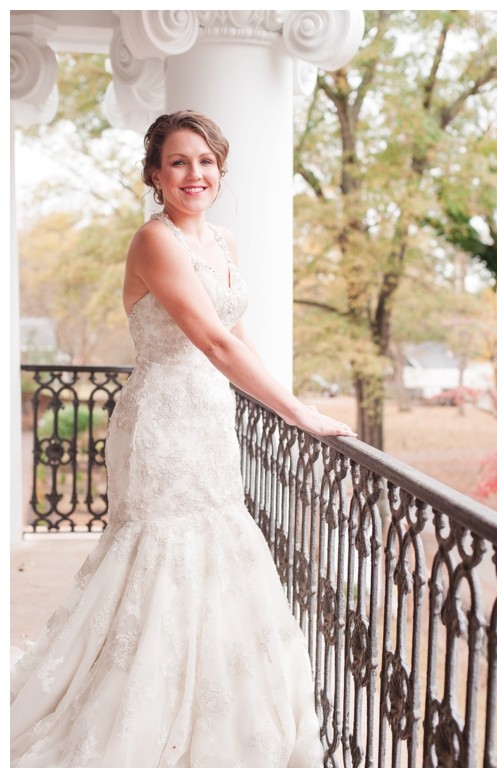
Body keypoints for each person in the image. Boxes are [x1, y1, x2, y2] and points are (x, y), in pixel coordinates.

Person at [10, 110, 355, 767]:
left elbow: (239, 335)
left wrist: (286, 395)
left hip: (209, 417)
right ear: (155, 174)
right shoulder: (154, 241)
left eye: (205, 161)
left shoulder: (223, 242)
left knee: (216, 553)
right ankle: (142, 714)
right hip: (164, 421)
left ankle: (213, 709)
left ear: (220, 170)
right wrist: (296, 413)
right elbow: (212, 341)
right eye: (178, 162)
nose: (194, 174)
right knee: (162, 556)